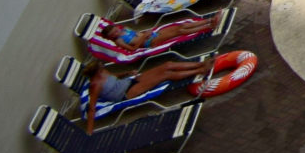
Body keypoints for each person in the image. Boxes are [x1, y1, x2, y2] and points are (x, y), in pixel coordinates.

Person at [79, 58, 208, 130]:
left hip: (130, 81)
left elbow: (115, 76)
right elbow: (91, 108)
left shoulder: (103, 72)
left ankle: (200, 64)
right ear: (96, 72)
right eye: (100, 66)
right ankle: (200, 70)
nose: (103, 66)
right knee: (167, 75)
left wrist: (128, 73)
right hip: (128, 93)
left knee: (167, 64)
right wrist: (89, 131)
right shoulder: (95, 85)